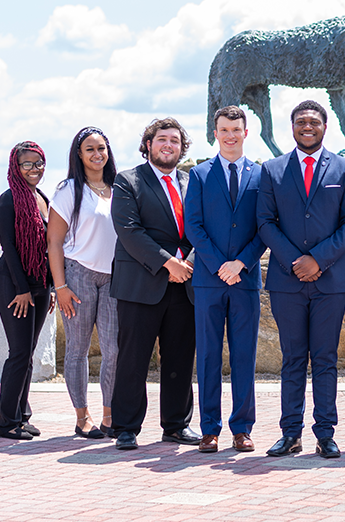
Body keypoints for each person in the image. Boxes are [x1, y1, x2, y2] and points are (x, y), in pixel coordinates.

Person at [257, 100, 345, 459]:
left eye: (313, 121)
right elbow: (265, 222)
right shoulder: (271, 170)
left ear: (325, 126)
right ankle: (290, 434)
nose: (307, 126)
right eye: (301, 121)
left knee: (325, 358)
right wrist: (294, 261)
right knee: (291, 359)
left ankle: (325, 433)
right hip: (287, 281)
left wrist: (317, 260)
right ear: (292, 127)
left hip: (330, 280)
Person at [109, 118, 201, 451]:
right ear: (148, 144)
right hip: (141, 284)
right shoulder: (127, 180)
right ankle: (126, 427)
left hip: (185, 283)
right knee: (133, 358)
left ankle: (176, 425)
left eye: (175, 141)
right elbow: (129, 231)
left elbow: (201, 228)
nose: (168, 145)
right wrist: (168, 263)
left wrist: (187, 261)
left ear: (182, 147)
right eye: (162, 139)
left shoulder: (193, 183)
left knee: (179, 358)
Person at [185, 106, 268, 453]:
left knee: (244, 355)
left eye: (236, 129)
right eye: (224, 130)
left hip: (245, 280)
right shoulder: (200, 175)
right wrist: (221, 265)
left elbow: (266, 226)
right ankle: (209, 429)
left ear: (246, 133)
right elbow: (194, 226)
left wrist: (241, 263)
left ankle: (242, 428)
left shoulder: (262, 175)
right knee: (207, 357)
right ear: (215, 133)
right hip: (208, 280)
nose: (230, 135)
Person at [48, 127, 119, 439]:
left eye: (101, 148)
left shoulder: (118, 188)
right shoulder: (68, 191)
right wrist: (60, 287)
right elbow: (54, 243)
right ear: (79, 154)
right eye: (89, 149)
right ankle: (82, 417)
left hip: (114, 277)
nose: (97, 154)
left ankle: (109, 415)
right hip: (78, 276)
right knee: (77, 349)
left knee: (113, 349)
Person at [0, 142, 55, 440]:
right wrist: (21, 289)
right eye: (27, 164)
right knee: (18, 353)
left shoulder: (41, 197)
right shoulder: (8, 201)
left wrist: (52, 288)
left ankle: (21, 415)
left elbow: (49, 247)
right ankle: (6, 423)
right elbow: (10, 248)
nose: (34, 170)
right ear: (15, 167)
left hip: (40, 282)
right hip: (13, 284)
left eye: (39, 163)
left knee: (27, 353)